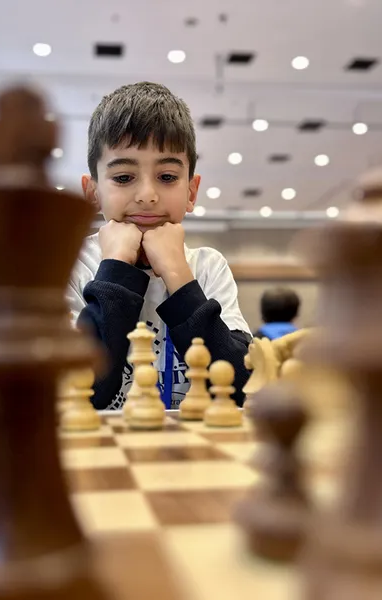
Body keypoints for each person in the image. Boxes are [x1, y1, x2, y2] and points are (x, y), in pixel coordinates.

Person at [66, 82, 251, 411]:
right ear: (93, 193)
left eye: (167, 177)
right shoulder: (73, 266)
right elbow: (81, 392)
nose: (147, 195)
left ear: (191, 192)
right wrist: (115, 269)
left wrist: (179, 275)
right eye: (123, 177)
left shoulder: (207, 266)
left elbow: (240, 387)